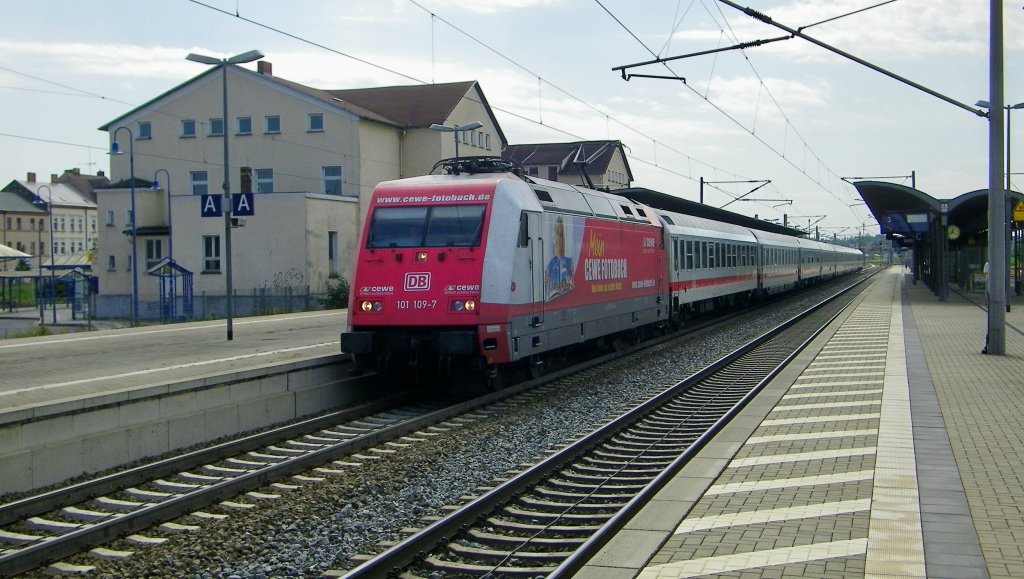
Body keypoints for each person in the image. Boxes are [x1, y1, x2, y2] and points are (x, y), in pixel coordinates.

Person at [545, 217, 574, 299]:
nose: (559, 239)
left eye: (561, 235)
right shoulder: (551, 263)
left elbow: (572, 281)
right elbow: (545, 281)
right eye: (557, 234)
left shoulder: (569, 261)